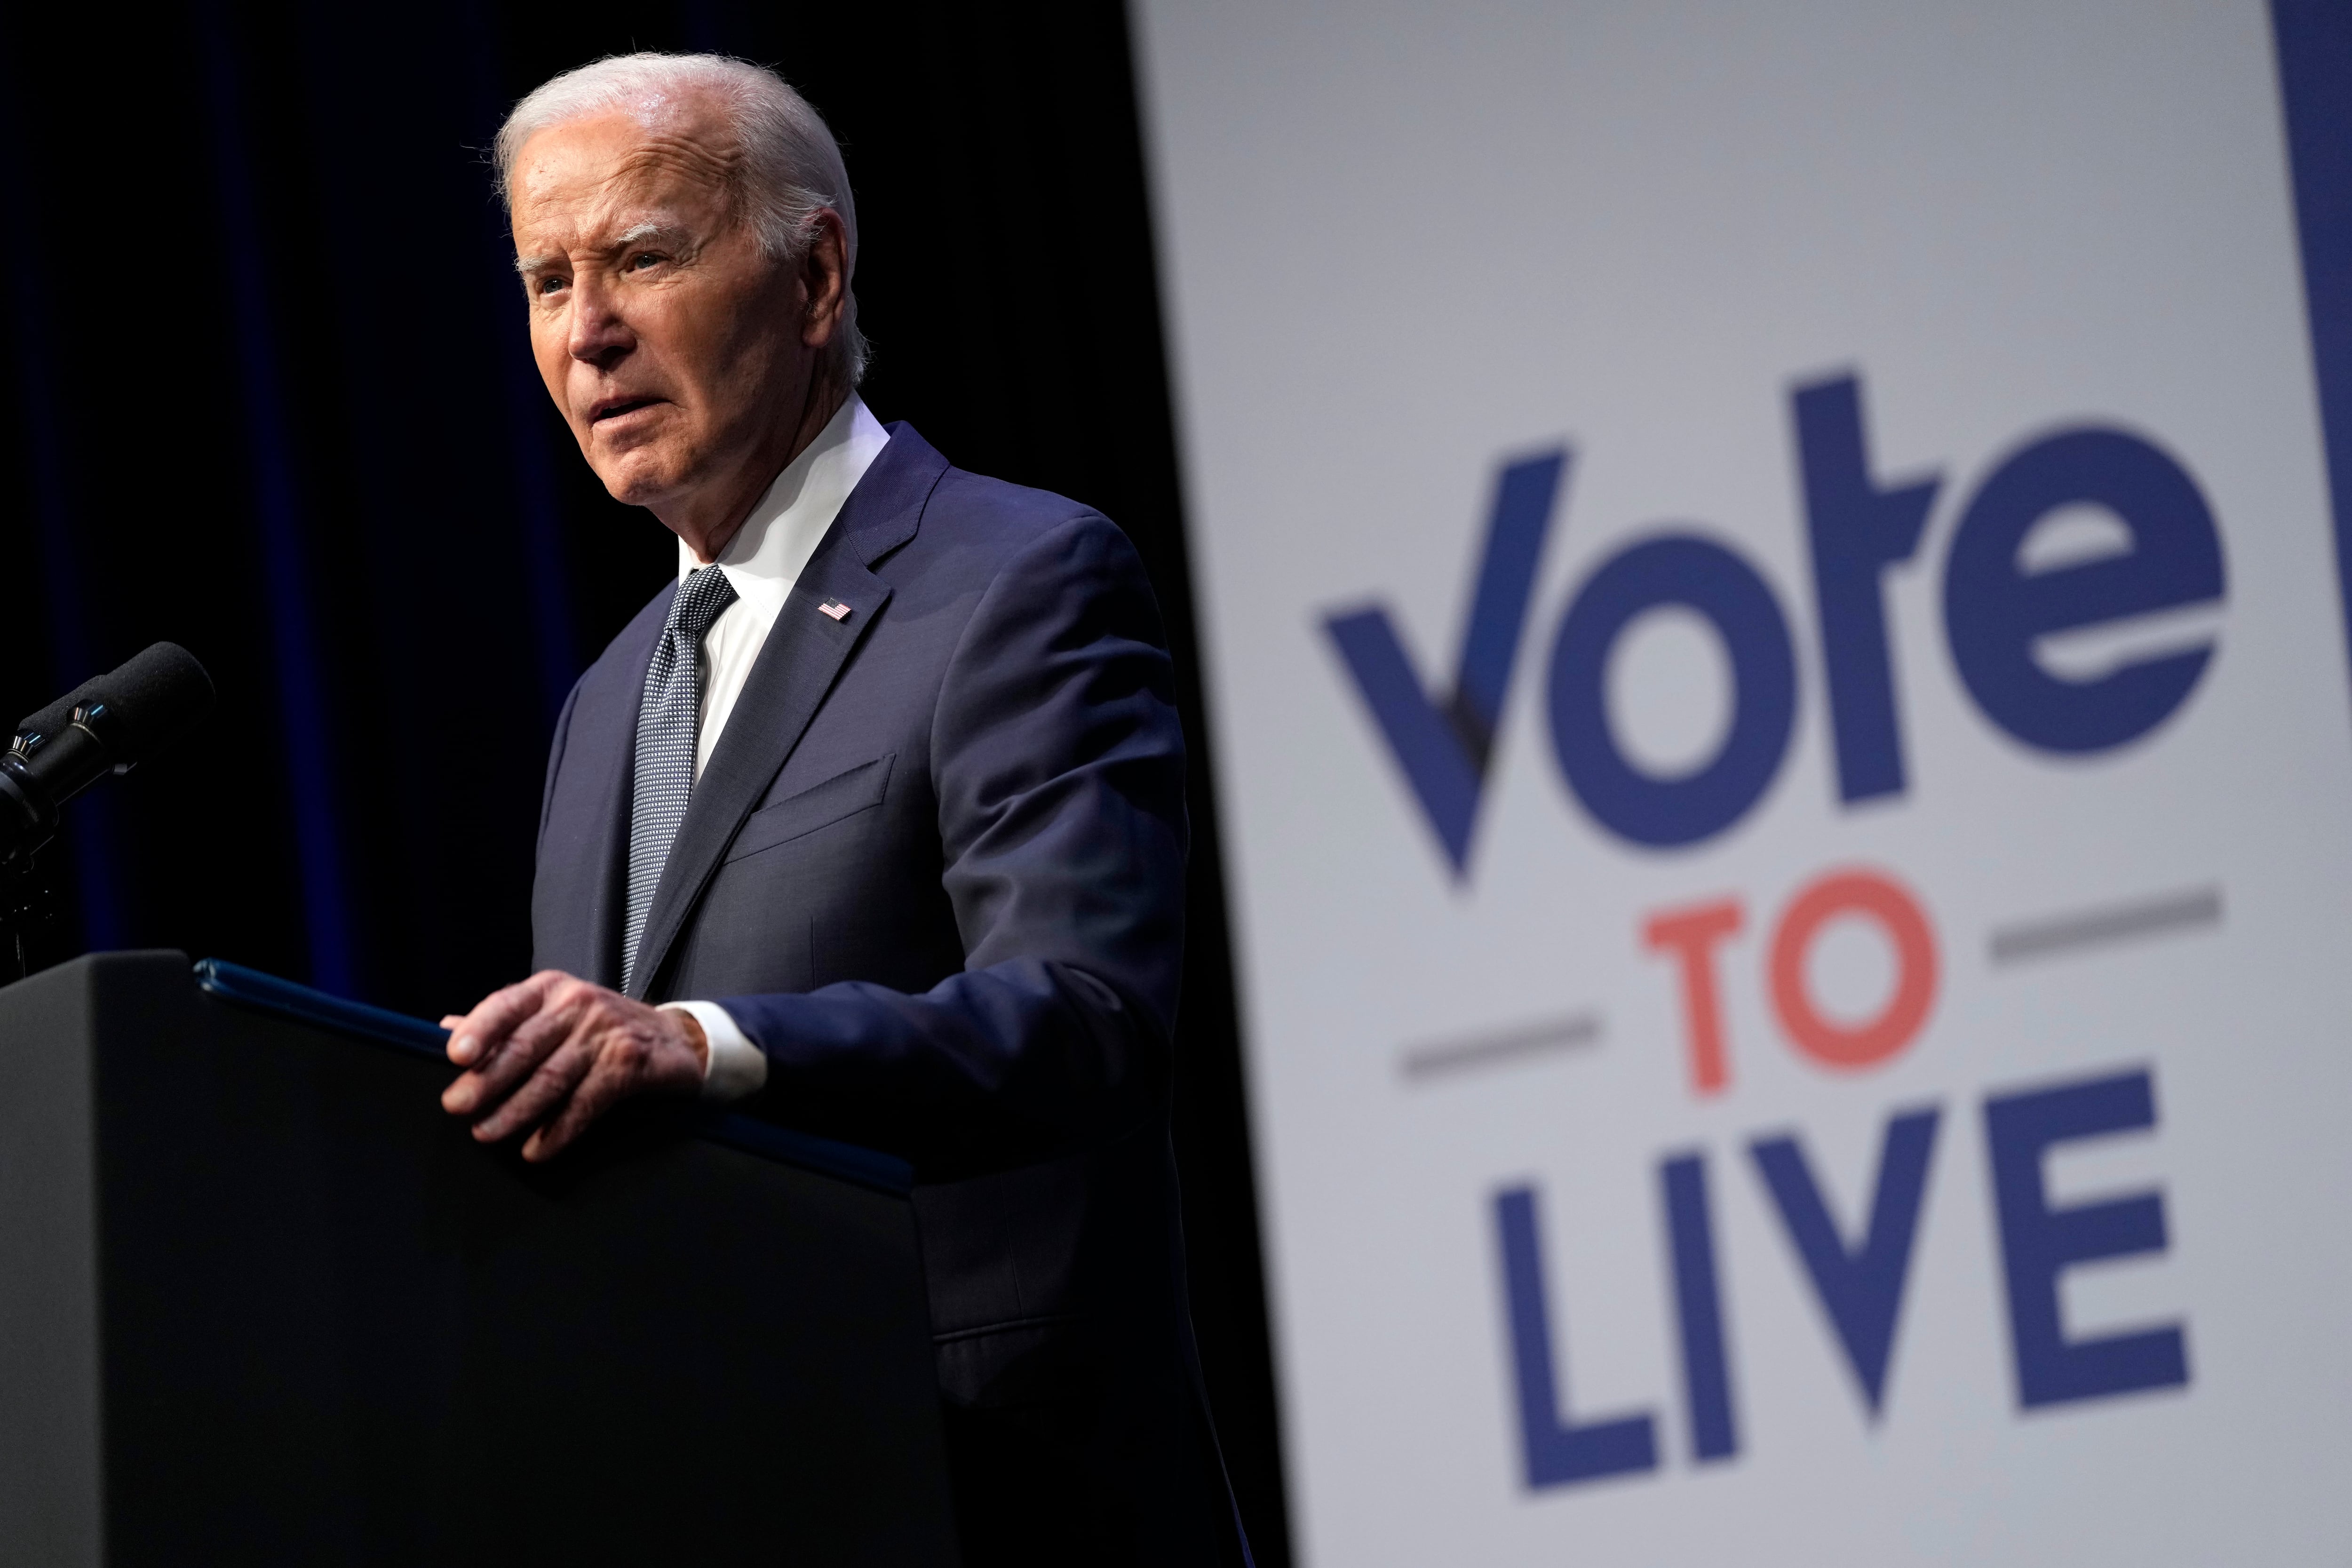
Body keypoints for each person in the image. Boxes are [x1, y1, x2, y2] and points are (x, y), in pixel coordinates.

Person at [435, 52, 1247, 1566]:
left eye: (641, 258)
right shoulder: (602, 710)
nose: (587, 332)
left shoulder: (1015, 581)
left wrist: (705, 1048)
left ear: (816, 277)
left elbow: (1085, 1019)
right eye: (548, 281)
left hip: (993, 1501)